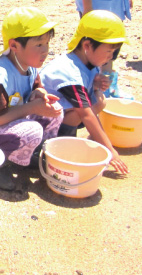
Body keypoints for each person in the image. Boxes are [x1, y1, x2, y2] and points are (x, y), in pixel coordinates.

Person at [0, 7, 63, 169]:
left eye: (47, 43)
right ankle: (1, 166)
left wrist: (39, 93)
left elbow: (36, 87)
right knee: (32, 130)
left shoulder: (29, 65)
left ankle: (36, 153)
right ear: (14, 45)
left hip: (5, 121)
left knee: (55, 110)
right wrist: (32, 107)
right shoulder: (1, 77)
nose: (45, 51)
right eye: (39, 44)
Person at [39, 11, 129, 175]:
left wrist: (95, 87)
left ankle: (77, 139)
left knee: (100, 101)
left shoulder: (88, 61)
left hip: (60, 113)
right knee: (80, 114)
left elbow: (90, 102)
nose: (110, 58)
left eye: (114, 53)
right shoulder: (69, 74)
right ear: (87, 45)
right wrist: (110, 151)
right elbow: (87, 114)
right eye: (109, 51)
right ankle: (58, 146)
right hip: (41, 124)